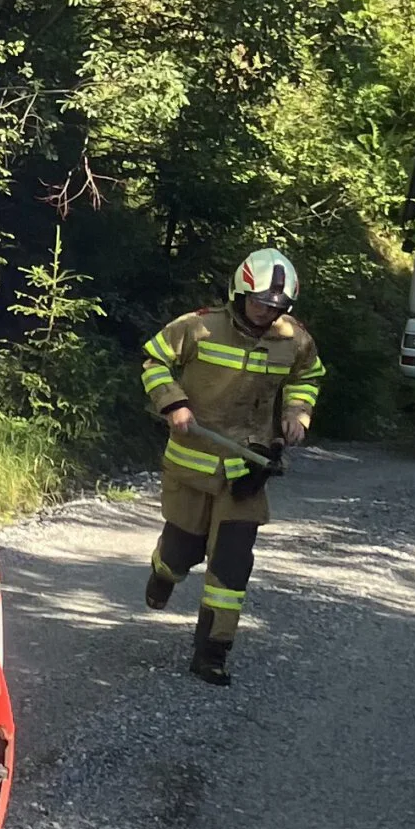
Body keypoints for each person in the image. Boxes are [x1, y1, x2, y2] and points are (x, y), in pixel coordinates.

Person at [138, 248, 326, 685]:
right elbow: (154, 361)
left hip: (248, 469)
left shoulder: (293, 338)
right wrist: (174, 404)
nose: (265, 313)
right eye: (259, 302)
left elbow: (308, 375)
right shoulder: (198, 327)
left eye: (276, 307)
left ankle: (213, 652)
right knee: (181, 551)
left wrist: (298, 411)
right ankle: (163, 573)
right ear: (239, 294)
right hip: (191, 465)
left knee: (232, 562)